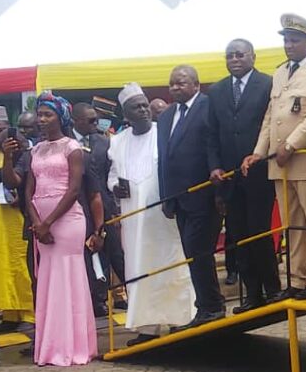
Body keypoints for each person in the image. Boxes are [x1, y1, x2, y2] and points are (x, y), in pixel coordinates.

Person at [242, 14, 306, 300]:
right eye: (286, 40)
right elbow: (271, 117)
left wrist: (292, 144)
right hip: (280, 163)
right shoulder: (280, 72)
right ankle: (297, 279)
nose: (288, 45)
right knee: (293, 225)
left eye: (294, 40)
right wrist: (259, 152)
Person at [109, 84, 195, 345]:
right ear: (126, 114)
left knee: (171, 264)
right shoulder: (117, 141)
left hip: (163, 216)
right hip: (133, 218)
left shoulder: (163, 133)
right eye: (137, 107)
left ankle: (181, 320)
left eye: (145, 105)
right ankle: (147, 328)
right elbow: (113, 175)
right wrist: (115, 187)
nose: (144, 110)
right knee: (139, 268)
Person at [207, 39, 280, 314]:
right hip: (229, 176)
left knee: (259, 233)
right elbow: (212, 134)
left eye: (240, 55)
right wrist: (214, 166)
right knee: (238, 235)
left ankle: (273, 289)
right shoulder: (216, 91)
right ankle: (252, 294)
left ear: (252, 57)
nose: (234, 60)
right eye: (230, 56)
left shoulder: (268, 84)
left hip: (259, 173)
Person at [26, 92, 96, 366]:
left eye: (47, 115)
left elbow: (74, 189)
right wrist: (36, 222)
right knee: (48, 280)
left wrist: (48, 222)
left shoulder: (72, 147)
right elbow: (28, 191)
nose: (42, 120)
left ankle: (73, 345)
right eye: (40, 115)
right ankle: (51, 346)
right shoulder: (35, 150)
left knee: (67, 278)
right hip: (40, 221)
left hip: (67, 220)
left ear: (61, 118)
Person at [158, 65, 225, 326]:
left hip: (204, 195)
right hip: (178, 198)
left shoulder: (209, 107)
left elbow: (214, 148)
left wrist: (219, 193)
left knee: (199, 251)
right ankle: (207, 305)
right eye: (172, 83)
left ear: (196, 85)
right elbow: (164, 159)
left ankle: (211, 306)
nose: (175, 87)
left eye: (181, 83)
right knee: (191, 252)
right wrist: (166, 196)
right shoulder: (166, 116)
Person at [0, 105, 35, 328]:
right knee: (1, 266)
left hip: (18, 218)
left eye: (0, 129)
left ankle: (30, 314)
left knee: (22, 265)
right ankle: (10, 314)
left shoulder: (22, 150)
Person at [72, 102, 120, 317]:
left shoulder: (104, 142)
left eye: (97, 119)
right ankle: (93, 300)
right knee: (85, 256)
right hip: (77, 207)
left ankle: (113, 296)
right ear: (76, 121)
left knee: (114, 253)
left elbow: (112, 174)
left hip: (105, 207)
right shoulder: (66, 142)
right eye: (91, 120)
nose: (96, 123)